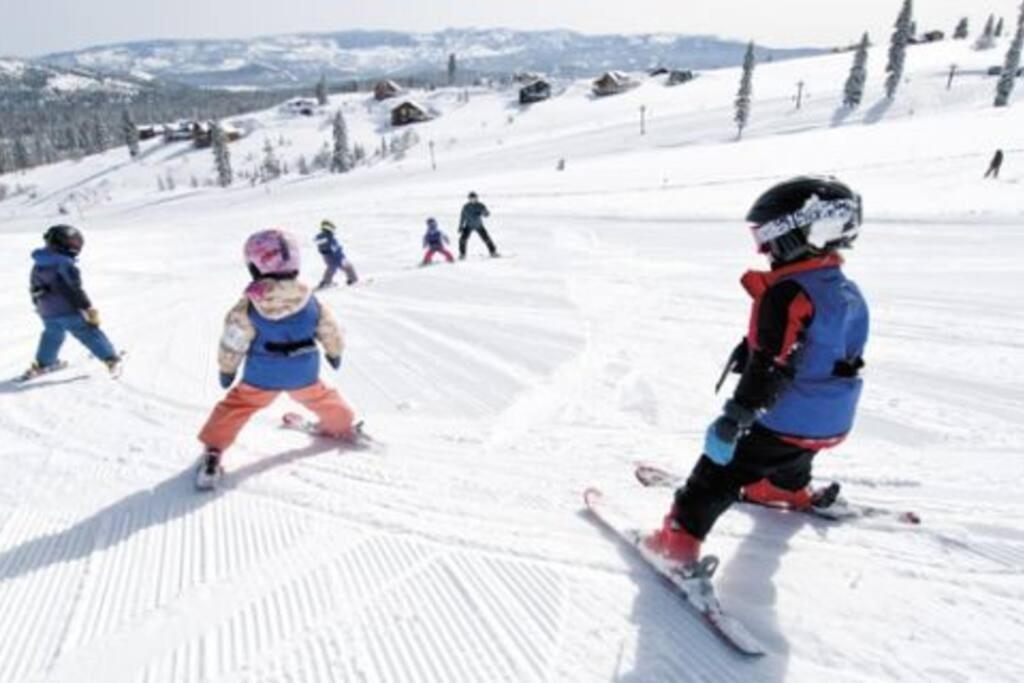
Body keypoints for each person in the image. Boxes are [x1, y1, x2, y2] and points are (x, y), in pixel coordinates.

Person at [645, 176, 868, 566]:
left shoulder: (786, 293)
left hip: (783, 417)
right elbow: (824, 349)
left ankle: (678, 540)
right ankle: (784, 488)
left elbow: (773, 366)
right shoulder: (844, 289)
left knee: (717, 473)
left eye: (765, 237)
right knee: (794, 450)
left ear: (795, 233)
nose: (763, 249)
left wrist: (735, 418)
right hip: (831, 419)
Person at [195, 229, 359, 489]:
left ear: (255, 267)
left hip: (262, 377)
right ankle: (341, 423)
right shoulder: (311, 301)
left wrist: (227, 369)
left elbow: (233, 340)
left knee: (236, 407)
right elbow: (330, 330)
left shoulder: (248, 306)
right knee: (324, 398)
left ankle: (214, 449)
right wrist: (334, 352)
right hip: (303, 373)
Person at [23, 224, 122, 379]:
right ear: (61, 243)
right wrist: (87, 308)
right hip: (67, 310)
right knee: (88, 332)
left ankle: (44, 363)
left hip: (47, 310)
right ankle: (111, 359)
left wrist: (38, 305)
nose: (76, 246)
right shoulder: (64, 263)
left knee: (52, 335)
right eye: (73, 243)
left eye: (78, 243)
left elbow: (34, 285)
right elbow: (73, 289)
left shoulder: (40, 261)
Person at [315, 219, 358, 288]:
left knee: (332, 268)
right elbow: (333, 247)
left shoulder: (324, 236)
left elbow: (321, 244)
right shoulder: (328, 236)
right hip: (335, 257)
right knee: (347, 267)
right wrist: (337, 251)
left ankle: (326, 282)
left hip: (329, 256)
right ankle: (353, 280)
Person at [458, 191, 499, 259]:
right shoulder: (466, 207)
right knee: (462, 240)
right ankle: (462, 254)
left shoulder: (480, 205)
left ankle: (493, 252)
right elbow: (462, 217)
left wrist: (483, 212)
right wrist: (460, 226)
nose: (473, 199)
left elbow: (487, 214)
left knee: (486, 239)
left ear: (477, 198)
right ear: (469, 199)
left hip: (478, 225)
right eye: (471, 198)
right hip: (468, 226)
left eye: (474, 198)